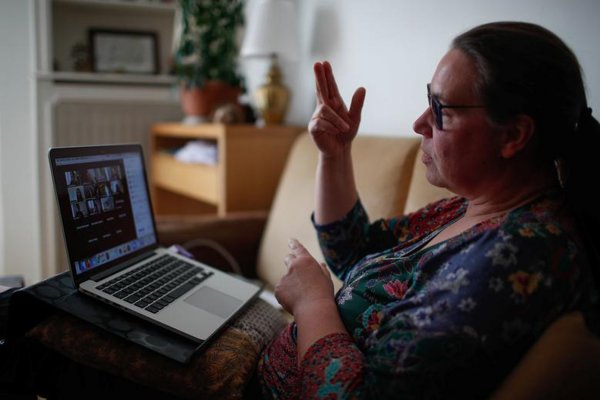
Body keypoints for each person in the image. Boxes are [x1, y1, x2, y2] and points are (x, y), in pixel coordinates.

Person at [258, 22, 600, 399]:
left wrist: (312, 303)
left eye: (440, 109)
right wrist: (334, 155)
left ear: (513, 136)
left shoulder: (516, 257)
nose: (419, 123)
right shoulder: (466, 209)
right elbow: (353, 250)